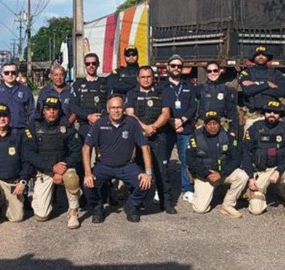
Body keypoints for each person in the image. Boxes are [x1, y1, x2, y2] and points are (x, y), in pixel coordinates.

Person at [82, 94, 153, 223]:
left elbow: (145, 148)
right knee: (87, 185)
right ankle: (98, 208)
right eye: (113, 107)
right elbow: (86, 148)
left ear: (124, 109)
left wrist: (148, 173)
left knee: (145, 183)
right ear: (108, 109)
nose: (116, 110)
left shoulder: (132, 122)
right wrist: (88, 173)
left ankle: (131, 207)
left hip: (126, 166)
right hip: (104, 166)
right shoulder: (100, 123)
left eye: (119, 107)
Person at [25, 96, 83, 229]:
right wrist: (52, 167)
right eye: (48, 109)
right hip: (45, 170)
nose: (52, 112)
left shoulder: (66, 126)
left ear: (59, 110)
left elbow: (76, 151)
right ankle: (39, 197)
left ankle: (73, 211)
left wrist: (64, 166)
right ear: (43, 111)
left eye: (55, 109)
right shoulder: (33, 126)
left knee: (71, 177)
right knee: (41, 216)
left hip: (63, 168)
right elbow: (29, 154)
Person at [242, 101, 285, 223]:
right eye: (269, 111)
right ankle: (255, 193)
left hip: (279, 168)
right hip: (261, 170)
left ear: (280, 115)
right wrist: (250, 177)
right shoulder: (254, 128)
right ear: (264, 113)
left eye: (275, 112)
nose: (272, 114)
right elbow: (245, 154)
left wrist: (278, 171)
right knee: (255, 210)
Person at [125, 66, 176, 214]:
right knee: (137, 170)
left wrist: (153, 127)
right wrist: (144, 128)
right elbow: (130, 114)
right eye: (143, 77)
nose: (146, 79)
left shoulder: (163, 92)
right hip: (137, 137)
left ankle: (165, 203)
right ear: (138, 78)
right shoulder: (131, 94)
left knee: (161, 170)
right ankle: (137, 201)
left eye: (149, 76)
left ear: (153, 78)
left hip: (158, 135)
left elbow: (166, 114)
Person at [186, 111, 249, 218]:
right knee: (200, 209)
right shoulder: (195, 137)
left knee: (242, 176)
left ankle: (228, 204)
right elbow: (190, 160)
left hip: (223, 173)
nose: (212, 127)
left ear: (219, 124)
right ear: (204, 125)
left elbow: (236, 159)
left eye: (215, 123)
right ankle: (200, 193)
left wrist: (221, 173)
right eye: (209, 124)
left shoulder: (228, 137)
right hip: (205, 175)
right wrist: (206, 173)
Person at [160, 55, 198, 203]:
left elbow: (193, 107)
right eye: (173, 66)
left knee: (185, 160)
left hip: (185, 129)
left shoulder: (189, 87)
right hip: (165, 129)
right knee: (162, 160)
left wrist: (181, 121)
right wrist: (171, 121)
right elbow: (158, 108)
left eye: (179, 66)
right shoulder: (160, 87)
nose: (176, 68)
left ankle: (187, 188)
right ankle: (161, 189)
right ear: (168, 67)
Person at [239, 46, 285, 132]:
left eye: (263, 55)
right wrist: (267, 84)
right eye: (258, 55)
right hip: (253, 115)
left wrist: (255, 84)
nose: (261, 57)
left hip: (272, 115)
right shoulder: (246, 73)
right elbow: (247, 91)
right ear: (253, 58)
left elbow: (280, 92)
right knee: (249, 143)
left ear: (268, 58)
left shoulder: (277, 74)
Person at [69, 53, 108, 138]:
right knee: (84, 150)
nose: (91, 66)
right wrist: (88, 116)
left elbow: (110, 103)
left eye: (93, 63)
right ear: (85, 65)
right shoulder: (77, 85)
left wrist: (100, 118)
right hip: (84, 125)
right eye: (88, 64)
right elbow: (73, 106)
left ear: (98, 64)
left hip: (103, 124)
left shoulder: (106, 83)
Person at [0, 63, 35, 129]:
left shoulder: (26, 91)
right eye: (6, 72)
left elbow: (31, 112)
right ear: (2, 74)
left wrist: (30, 127)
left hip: (21, 130)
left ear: (17, 74)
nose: (10, 74)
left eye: (13, 72)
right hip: (1, 131)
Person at [196, 61, 238, 135]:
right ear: (206, 74)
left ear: (219, 72)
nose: (213, 73)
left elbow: (232, 111)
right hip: (203, 123)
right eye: (209, 71)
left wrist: (233, 130)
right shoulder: (199, 88)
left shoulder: (226, 89)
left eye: (215, 71)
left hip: (221, 123)